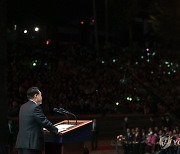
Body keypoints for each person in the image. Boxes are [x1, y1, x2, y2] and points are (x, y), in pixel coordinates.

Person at [15, 87, 59, 154]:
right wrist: (56, 130)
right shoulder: (35, 107)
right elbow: (44, 122)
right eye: (40, 95)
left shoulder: (23, 107)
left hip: (21, 143)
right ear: (36, 95)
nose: (41, 97)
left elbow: (30, 123)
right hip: (31, 145)